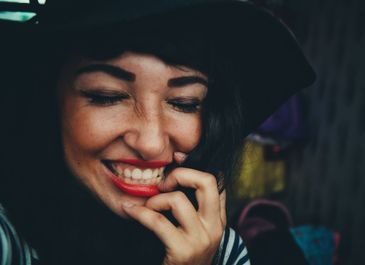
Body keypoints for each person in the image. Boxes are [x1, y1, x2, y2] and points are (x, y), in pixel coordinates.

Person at [0, 0, 315, 264]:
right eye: (107, 96)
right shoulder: (9, 236)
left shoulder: (219, 249)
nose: (151, 145)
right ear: (48, 100)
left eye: (184, 102)